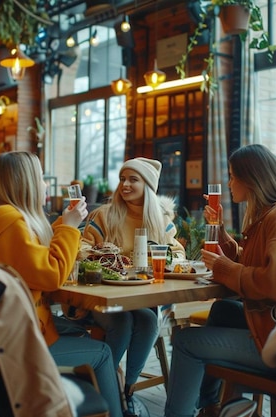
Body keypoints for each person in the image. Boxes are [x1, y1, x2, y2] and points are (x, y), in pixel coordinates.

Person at [0, 151, 124, 417]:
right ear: (26, 182)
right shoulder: (11, 225)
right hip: (15, 344)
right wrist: (71, 228)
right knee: (102, 353)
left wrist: (64, 224)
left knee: (84, 333)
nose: (45, 184)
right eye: (40, 177)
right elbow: (51, 274)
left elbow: (31, 263)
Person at [164, 144, 276, 417]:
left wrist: (225, 268)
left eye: (232, 176)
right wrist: (219, 232)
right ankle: (211, 407)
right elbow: (255, 265)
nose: (228, 183)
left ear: (251, 179)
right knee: (224, 310)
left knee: (185, 341)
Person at [80, 157, 186, 416]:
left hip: (139, 297)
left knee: (149, 321)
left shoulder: (160, 220)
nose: (125, 185)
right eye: (122, 179)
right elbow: (80, 246)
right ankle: (100, 387)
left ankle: (127, 392)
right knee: (123, 323)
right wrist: (98, 256)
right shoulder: (105, 215)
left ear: (147, 185)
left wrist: (170, 260)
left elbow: (178, 253)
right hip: (102, 296)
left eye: (133, 180)